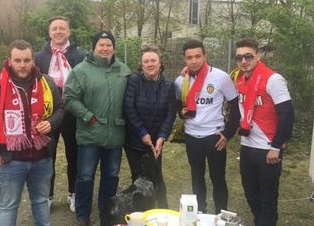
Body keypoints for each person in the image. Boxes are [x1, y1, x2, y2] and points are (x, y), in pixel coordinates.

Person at [0, 40, 64, 226]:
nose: (22, 65)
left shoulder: (46, 82)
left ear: (33, 60)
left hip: (42, 158)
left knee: (41, 203)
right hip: (9, 160)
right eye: (17, 60)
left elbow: (61, 109)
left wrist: (51, 123)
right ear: (9, 60)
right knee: (8, 207)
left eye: (26, 60)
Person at [64, 30, 131, 226]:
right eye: (101, 44)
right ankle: (83, 215)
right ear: (94, 47)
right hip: (90, 135)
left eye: (109, 44)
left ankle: (106, 214)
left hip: (115, 136)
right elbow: (69, 98)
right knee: (85, 177)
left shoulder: (124, 71)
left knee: (111, 177)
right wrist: (88, 117)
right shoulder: (80, 71)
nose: (105, 48)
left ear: (114, 48)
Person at [174, 39, 240, 214]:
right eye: (189, 57)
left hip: (214, 137)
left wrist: (228, 133)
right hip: (191, 136)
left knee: (218, 178)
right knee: (196, 177)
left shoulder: (220, 77)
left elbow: (236, 107)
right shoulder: (180, 81)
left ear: (205, 56)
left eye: (198, 56)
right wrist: (182, 112)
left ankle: (221, 215)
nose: (194, 61)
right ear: (184, 59)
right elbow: (178, 108)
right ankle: (200, 213)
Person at [234, 38, 294, 226]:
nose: (243, 61)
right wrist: (188, 72)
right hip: (247, 145)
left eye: (248, 56)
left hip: (269, 148)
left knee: (267, 198)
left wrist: (277, 146)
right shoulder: (238, 77)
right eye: (239, 58)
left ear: (258, 56)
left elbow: (287, 114)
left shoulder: (273, 79)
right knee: (250, 193)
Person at [35, 16, 86, 211]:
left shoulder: (81, 56)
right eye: (54, 28)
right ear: (49, 32)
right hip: (48, 116)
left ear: (68, 32)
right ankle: (47, 195)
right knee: (48, 157)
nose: (58, 31)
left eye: (62, 28)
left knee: (74, 156)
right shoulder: (39, 58)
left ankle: (73, 193)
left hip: (73, 113)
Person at [124, 45, 177, 208]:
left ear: (160, 63)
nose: (150, 64)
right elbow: (129, 108)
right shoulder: (133, 81)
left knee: (156, 178)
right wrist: (142, 132)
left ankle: (162, 211)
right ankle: (140, 213)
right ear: (142, 65)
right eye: (146, 61)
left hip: (155, 143)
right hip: (134, 141)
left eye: (153, 60)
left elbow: (170, 114)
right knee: (138, 178)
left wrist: (162, 137)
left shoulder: (169, 85)